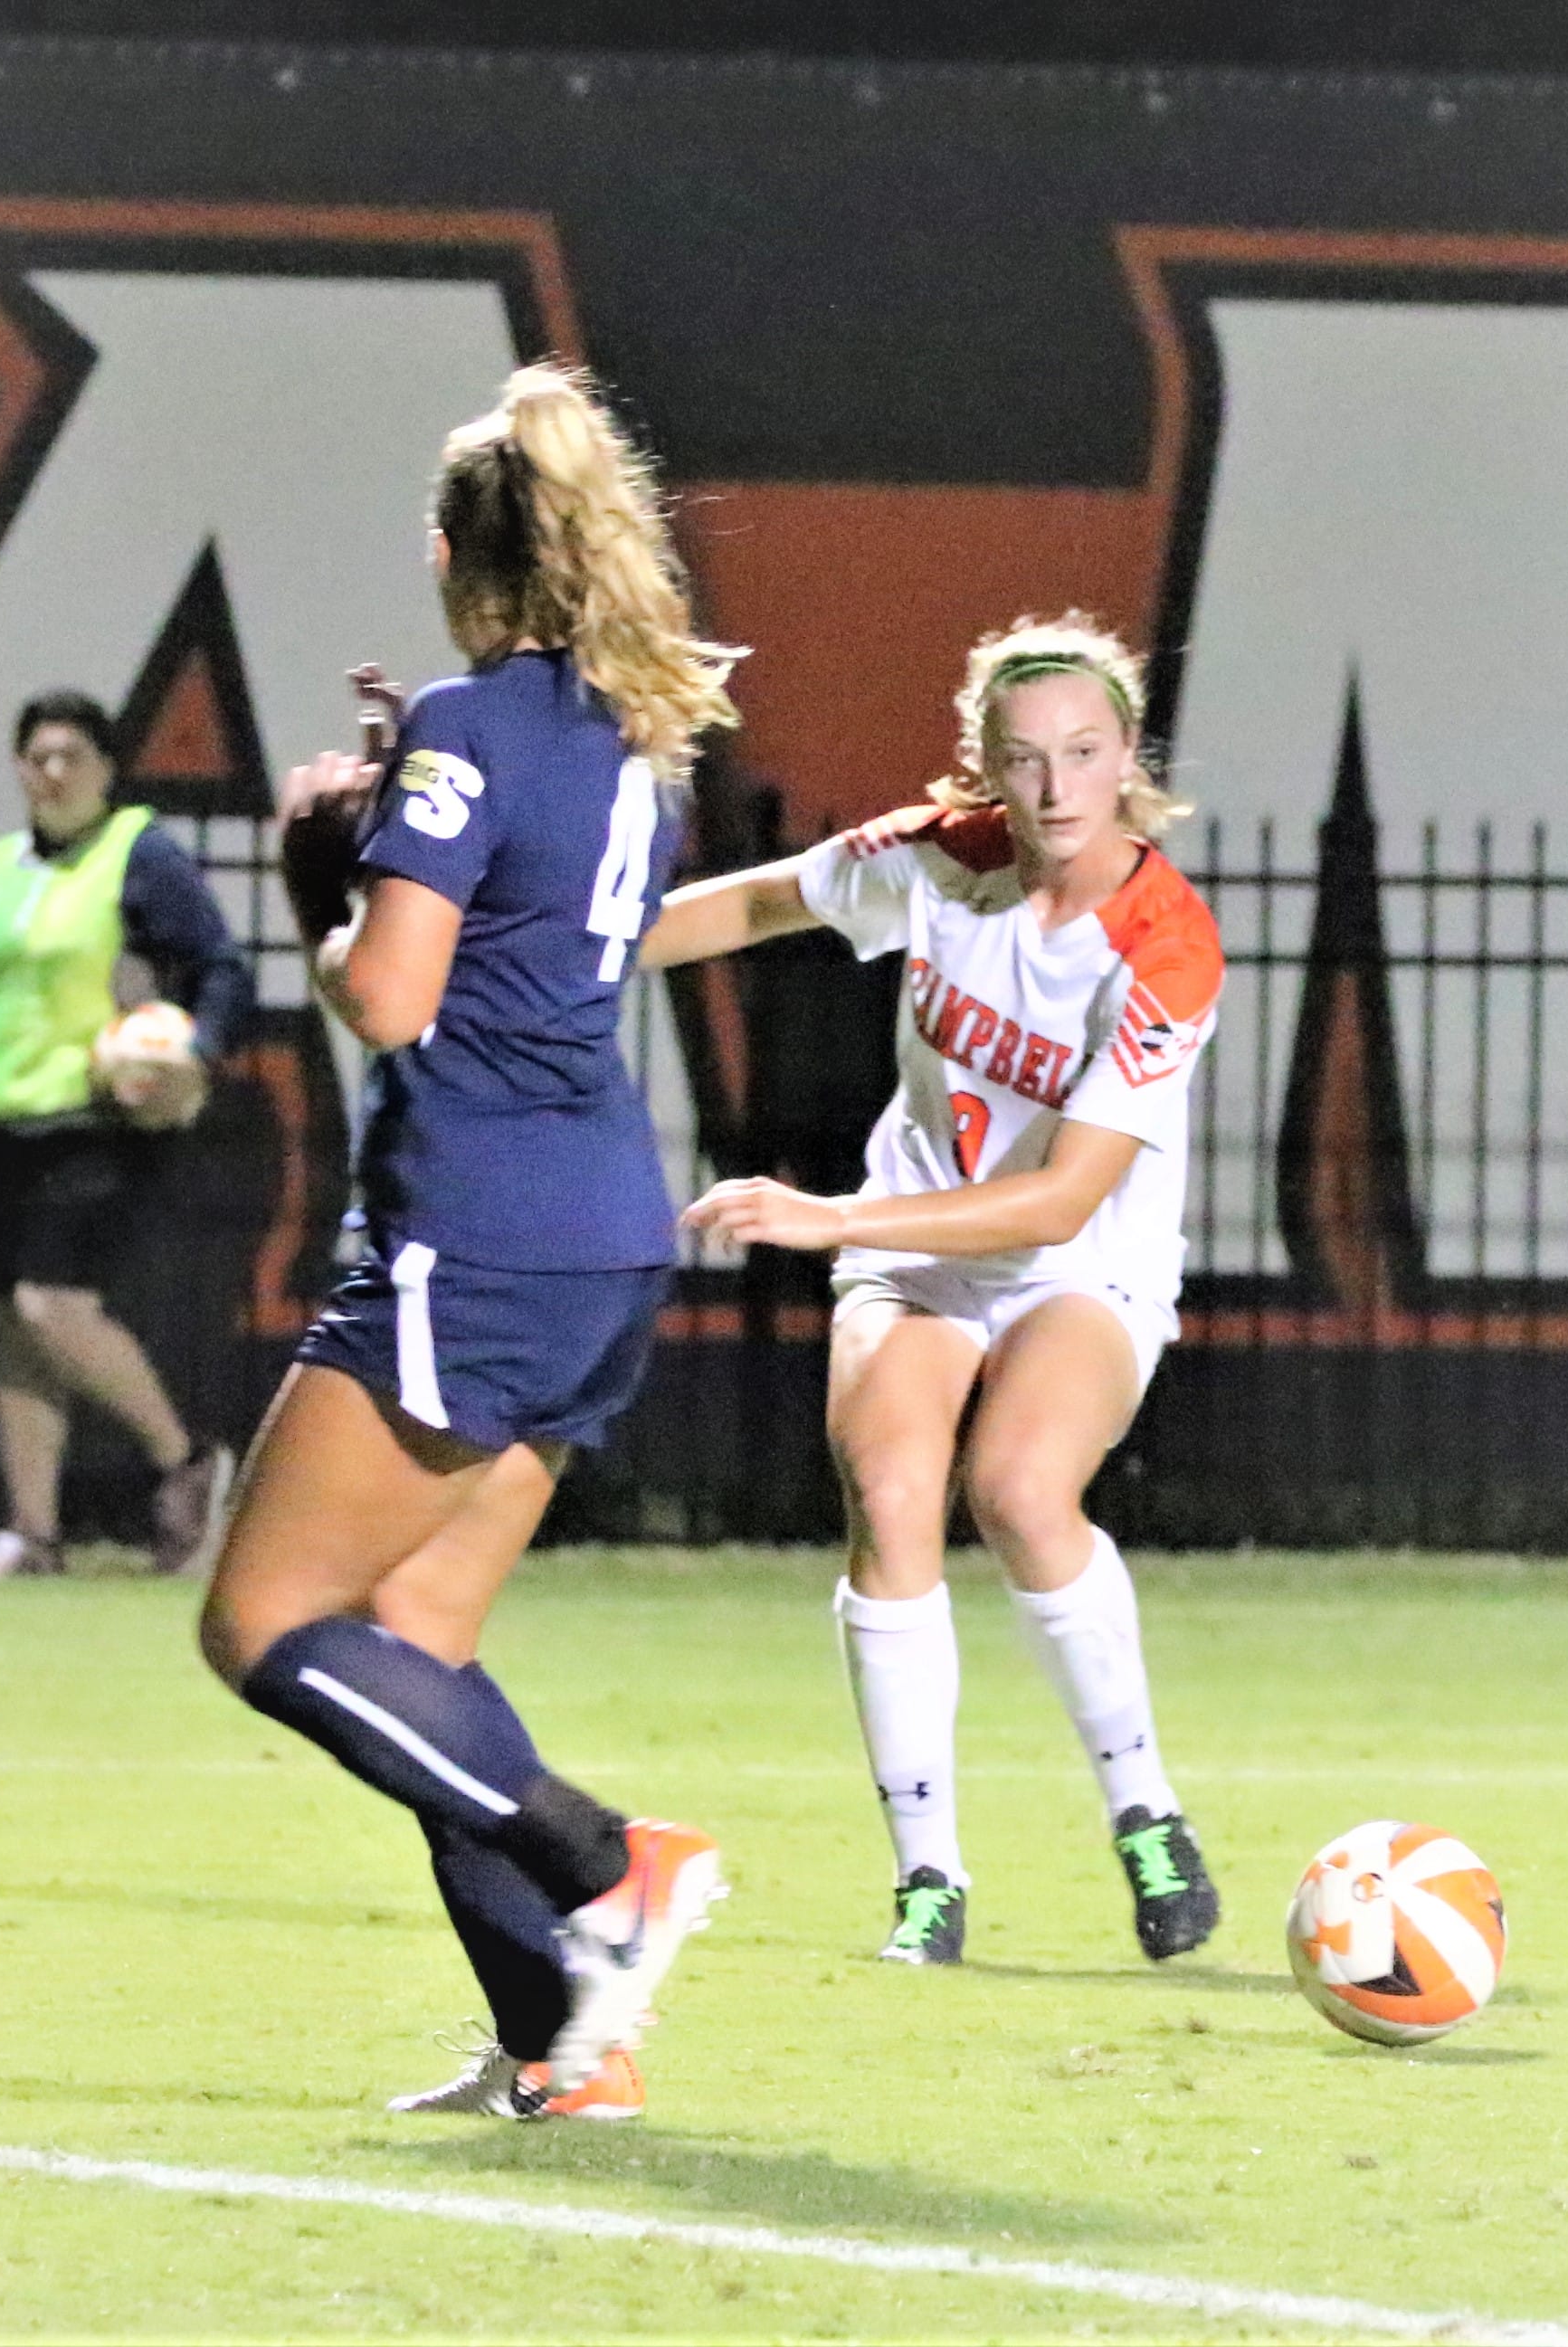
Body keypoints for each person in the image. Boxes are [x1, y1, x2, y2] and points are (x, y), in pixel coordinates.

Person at [198, 364, 736, 2124]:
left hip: (477, 1234)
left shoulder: (468, 720)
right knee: (417, 1629)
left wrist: (327, 875)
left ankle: (605, 1863)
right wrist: (398, 819)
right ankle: (560, 2039)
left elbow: (390, 995)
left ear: (452, 555)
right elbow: (535, 927)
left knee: (263, 1620)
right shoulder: (631, 737)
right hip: (601, 1231)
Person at [646, 614, 1223, 1968]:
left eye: (1083, 752)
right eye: (1024, 758)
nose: (1055, 786)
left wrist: (829, 1217)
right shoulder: (938, 857)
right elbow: (754, 903)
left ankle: (1144, 1809)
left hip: (1080, 1260)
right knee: (893, 1495)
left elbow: (1060, 1201)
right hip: (917, 1247)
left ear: (1127, 759)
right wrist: (563, 950)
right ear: (985, 763)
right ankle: (928, 1879)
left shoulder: (1165, 945)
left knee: (1019, 1489)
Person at [0, 692, 252, 1582]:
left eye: (71, 756)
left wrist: (195, 1050)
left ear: (107, 769)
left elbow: (222, 967)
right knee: (12, 1321)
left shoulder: (138, 853)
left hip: (93, 1117)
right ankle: (32, 1533)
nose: (52, 772)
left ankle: (186, 1459)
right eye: (37, 757)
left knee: (52, 1304)